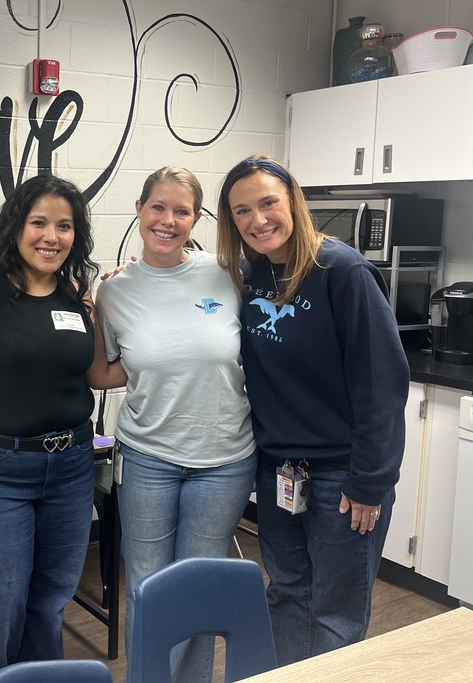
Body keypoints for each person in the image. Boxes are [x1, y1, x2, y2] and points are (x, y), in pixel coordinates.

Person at [216, 155, 408, 665]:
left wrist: (370, 482)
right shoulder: (250, 275)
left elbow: (382, 385)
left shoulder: (342, 271)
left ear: (293, 202)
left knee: (336, 613)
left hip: (343, 477)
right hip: (280, 469)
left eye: (268, 203)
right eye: (241, 211)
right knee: (287, 592)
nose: (257, 220)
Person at [94, 166, 256, 683]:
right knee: (149, 584)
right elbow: (106, 371)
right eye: (157, 207)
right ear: (139, 210)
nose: (168, 220)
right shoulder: (114, 292)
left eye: (181, 211)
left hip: (225, 460)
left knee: (200, 586)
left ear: (196, 218)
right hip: (147, 457)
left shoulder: (227, 273)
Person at [0, 174, 101, 682]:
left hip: (72, 465)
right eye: (39, 222)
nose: (51, 236)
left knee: (52, 596)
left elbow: (98, 372)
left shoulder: (75, 292)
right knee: (3, 600)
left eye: (64, 226)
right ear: (15, 226)